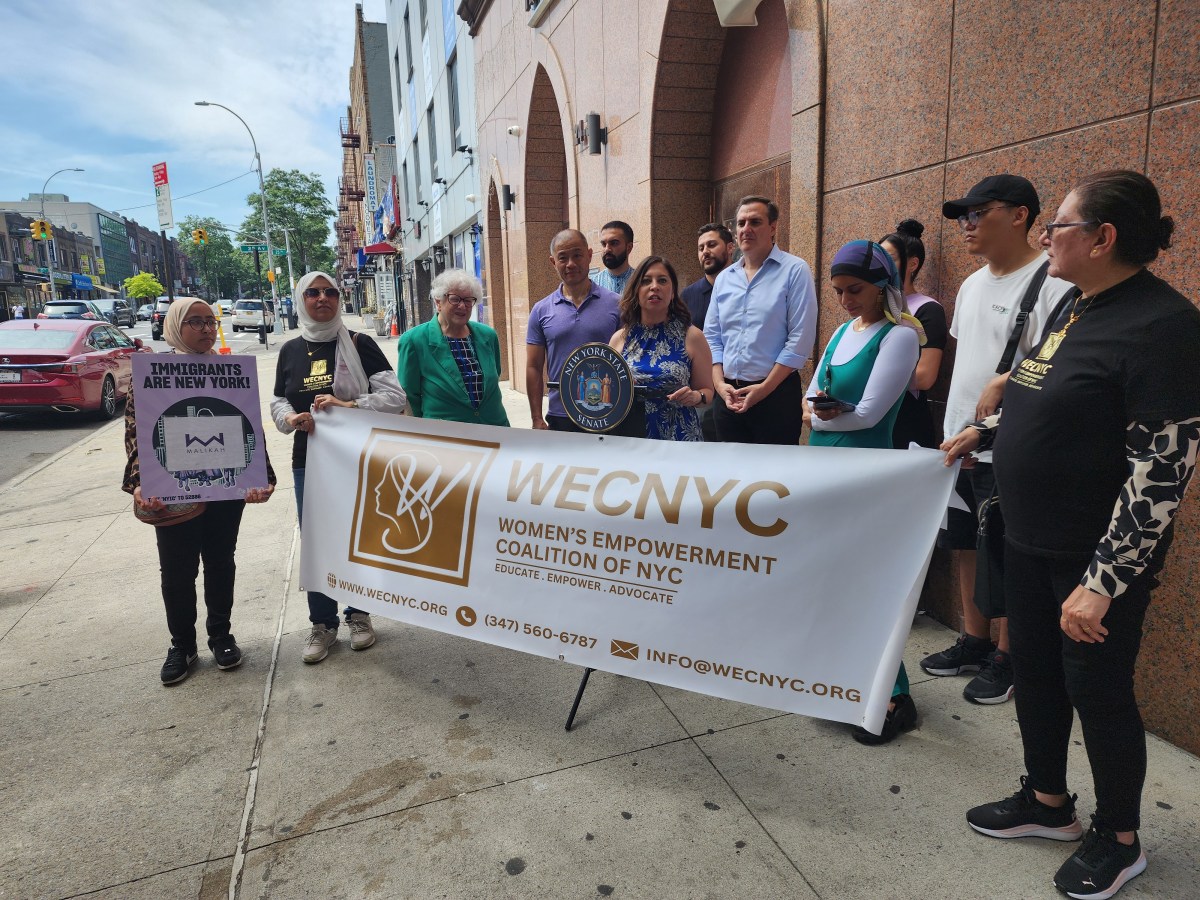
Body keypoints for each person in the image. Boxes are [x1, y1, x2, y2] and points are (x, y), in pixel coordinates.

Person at [943, 171, 1200, 900]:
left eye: (1059, 225)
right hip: (1028, 538)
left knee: (1100, 691)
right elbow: (1047, 398)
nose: (1048, 237)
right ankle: (1048, 803)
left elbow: (1161, 473)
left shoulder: (1166, 328)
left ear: (1103, 238)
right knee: (1041, 680)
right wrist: (983, 431)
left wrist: (1103, 582)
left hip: (1093, 561)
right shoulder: (1077, 308)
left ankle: (1119, 837)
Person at [920, 175, 1073, 706]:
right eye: (962, 217)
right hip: (957, 440)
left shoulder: (1052, 283)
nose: (966, 226)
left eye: (976, 213)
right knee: (966, 542)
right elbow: (964, 361)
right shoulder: (970, 285)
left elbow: (1057, 369)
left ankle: (1009, 656)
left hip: (1011, 441)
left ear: (1020, 216)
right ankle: (974, 639)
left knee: (1006, 546)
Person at [805, 240, 923, 744]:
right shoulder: (840, 332)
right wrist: (824, 412)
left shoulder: (899, 337)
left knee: (868, 587)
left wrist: (827, 414)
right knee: (830, 584)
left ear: (882, 286)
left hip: (866, 475)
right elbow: (810, 400)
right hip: (825, 474)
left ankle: (896, 695)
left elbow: (872, 414)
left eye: (855, 290)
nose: (846, 299)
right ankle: (847, 680)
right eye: (838, 291)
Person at [123, 299, 276, 685]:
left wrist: (262, 476)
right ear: (175, 326)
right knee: (177, 572)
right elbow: (135, 436)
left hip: (224, 487)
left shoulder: (230, 371)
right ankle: (183, 645)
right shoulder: (150, 373)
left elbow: (248, 428)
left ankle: (221, 636)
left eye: (211, 321)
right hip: (174, 491)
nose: (207, 328)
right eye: (196, 322)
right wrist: (141, 483)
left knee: (221, 561)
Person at [271, 271, 407, 664]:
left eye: (330, 292)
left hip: (356, 458)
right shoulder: (290, 350)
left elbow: (393, 397)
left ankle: (359, 614)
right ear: (301, 299)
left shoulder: (360, 344)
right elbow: (279, 401)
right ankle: (322, 623)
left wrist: (348, 407)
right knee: (317, 539)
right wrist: (291, 419)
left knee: (358, 536)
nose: (322, 298)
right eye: (312, 292)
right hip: (308, 459)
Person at [704, 196, 817, 445]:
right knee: (731, 478)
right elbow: (712, 336)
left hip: (775, 397)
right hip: (728, 398)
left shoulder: (795, 271)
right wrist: (719, 385)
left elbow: (800, 340)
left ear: (773, 227)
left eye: (755, 222)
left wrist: (763, 389)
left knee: (774, 479)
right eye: (741, 223)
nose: (746, 229)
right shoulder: (725, 278)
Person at [609, 255, 713, 441]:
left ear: (672, 292)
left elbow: (707, 391)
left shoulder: (693, 336)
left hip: (679, 437)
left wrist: (696, 397)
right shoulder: (619, 339)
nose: (654, 286)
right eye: (646, 281)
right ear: (636, 290)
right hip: (630, 438)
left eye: (662, 280)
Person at [526, 229, 621, 431]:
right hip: (561, 415)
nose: (571, 264)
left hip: (608, 414)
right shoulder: (541, 310)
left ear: (589, 255)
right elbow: (534, 366)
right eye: (563, 258)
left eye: (577, 255)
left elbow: (629, 358)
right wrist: (536, 417)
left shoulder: (617, 304)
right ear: (553, 262)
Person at [398, 269, 509, 425]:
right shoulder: (414, 340)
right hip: (447, 435)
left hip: (495, 428)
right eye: (455, 299)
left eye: (468, 300)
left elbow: (494, 374)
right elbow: (409, 394)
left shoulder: (488, 335)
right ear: (438, 302)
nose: (462, 306)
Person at [878, 219, 947, 449]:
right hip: (871, 417)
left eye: (890, 258)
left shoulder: (928, 309)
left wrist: (873, 377)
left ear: (912, 264)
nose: (881, 265)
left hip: (906, 420)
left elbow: (926, 376)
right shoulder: (871, 309)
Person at [682, 223, 736, 442]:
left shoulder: (744, 290)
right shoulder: (687, 296)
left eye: (712, 244)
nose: (705, 251)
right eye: (701, 247)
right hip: (703, 396)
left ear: (731, 247)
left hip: (739, 389)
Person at [592, 221, 635, 296]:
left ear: (629, 247)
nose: (607, 249)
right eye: (604, 244)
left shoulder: (640, 281)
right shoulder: (593, 285)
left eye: (614, 243)